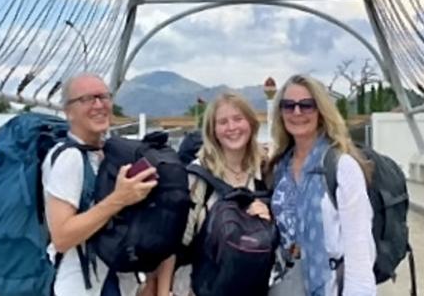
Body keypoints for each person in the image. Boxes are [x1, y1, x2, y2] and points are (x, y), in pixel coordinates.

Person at [42, 73, 158, 296]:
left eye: (104, 97)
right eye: (86, 99)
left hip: (111, 280)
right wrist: (119, 199)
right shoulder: (69, 159)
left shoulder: (104, 153)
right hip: (80, 286)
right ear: (68, 111)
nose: (99, 105)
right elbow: (62, 237)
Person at [268, 74, 376, 296]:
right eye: (288, 106)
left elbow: (359, 247)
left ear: (321, 111)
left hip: (330, 284)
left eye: (306, 105)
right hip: (286, 283)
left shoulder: (341, 166)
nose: (297, 112)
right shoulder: (279, 167)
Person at [156, 92, 271, 296]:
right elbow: (173, 242)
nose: (232, 128)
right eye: (223, 122)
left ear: (251, 124)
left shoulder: (266, 170)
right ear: (213, 130)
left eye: (238, 119)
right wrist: (165, 291)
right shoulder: (198, 177)